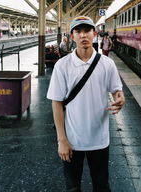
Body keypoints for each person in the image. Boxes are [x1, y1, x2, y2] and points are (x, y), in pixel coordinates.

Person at [47, 16, 125, 192]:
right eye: (78, 31)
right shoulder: (62, 65)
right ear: (72, 36)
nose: (83, 35)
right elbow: (56, 103)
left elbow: (116, 91)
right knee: (73, 187)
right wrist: (61, 140)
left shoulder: (107, 64)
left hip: (100, 139)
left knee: (102, 186)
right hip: (72, 141)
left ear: (94, 34)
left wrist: (121, 99)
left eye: (87, 31)